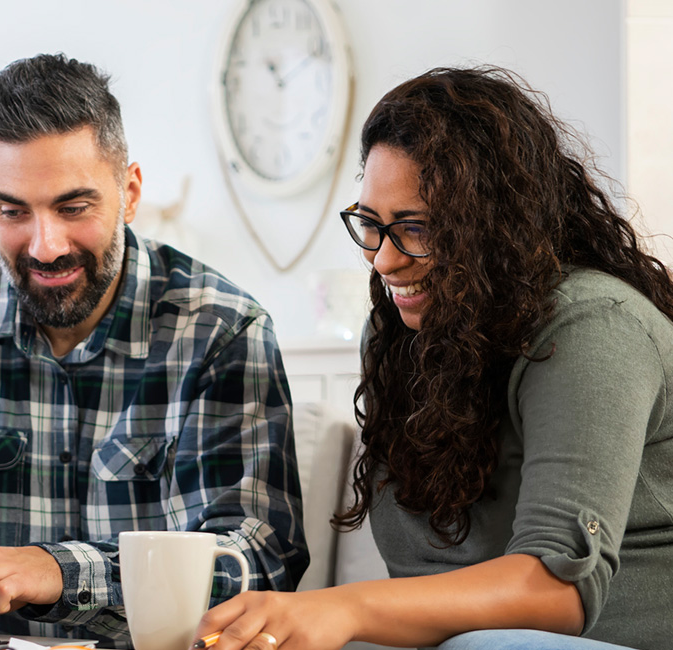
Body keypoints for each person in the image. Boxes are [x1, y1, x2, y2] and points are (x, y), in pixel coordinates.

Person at [196, 66, 673, 650]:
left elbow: (557, 589)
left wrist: (345, 608)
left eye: (416, 228)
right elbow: (423, 586)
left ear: (497, 225)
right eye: (371, 225)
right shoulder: (399, 336)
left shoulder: (592, 327)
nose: (383, 261)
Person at [0, 53, 308, 646]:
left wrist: (60, 571)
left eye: (73, 207)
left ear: (130, 192)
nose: (45, 245)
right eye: (13, 211)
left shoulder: (221, 332)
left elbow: (257, 565)